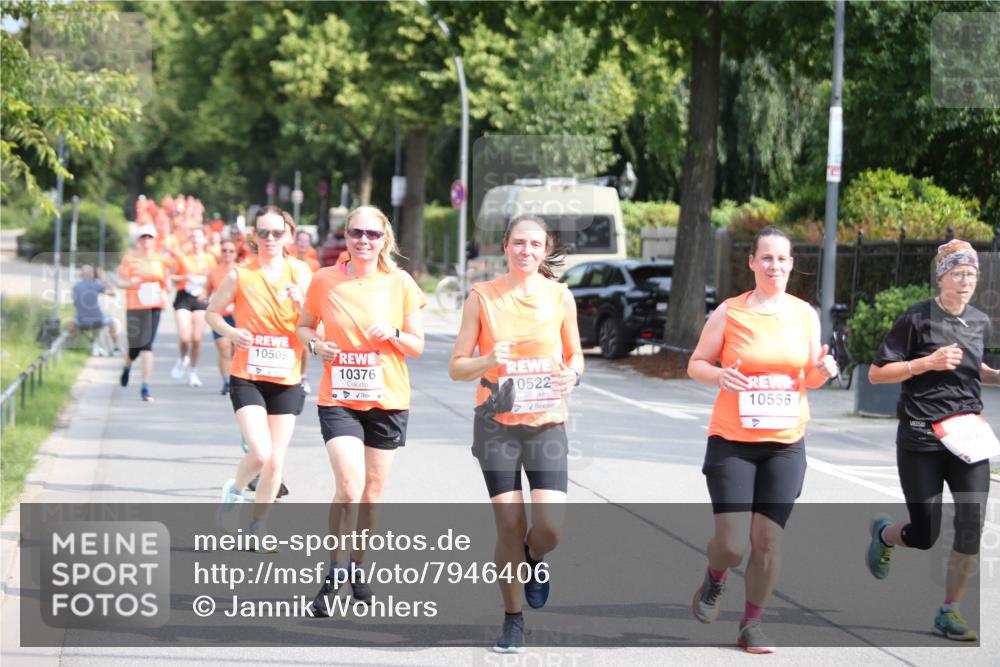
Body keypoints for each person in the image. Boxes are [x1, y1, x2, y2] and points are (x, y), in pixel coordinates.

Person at [686, 226, 838, 654]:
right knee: (732, 546)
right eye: (766, 258)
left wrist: (822, 373)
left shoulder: (804, 314)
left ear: (792, 265)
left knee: (768, 540)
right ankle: (715, 578)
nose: (774, 266)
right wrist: (719, 375)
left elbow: (808, 375)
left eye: (782, 259)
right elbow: (696, 363)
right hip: (733, 441)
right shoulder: (730, 313)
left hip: (785, 442)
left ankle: (751, 623)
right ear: (752, 263)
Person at [448, 214, 584, 654]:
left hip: (545, 424)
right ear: (505, 246)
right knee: (509, 525)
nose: (526, 251)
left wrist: (572, 376)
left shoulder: (560, 297)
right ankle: (512, 620)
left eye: (535, 245)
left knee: (549, 529)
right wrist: (487, 360)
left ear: (546, 251)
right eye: (519, 243)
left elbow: (576, 354)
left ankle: (534, 559)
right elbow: (456, 366)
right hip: (496, 427)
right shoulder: (482, 297)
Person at [864, 239, 998, 641]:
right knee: (925, 536)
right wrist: (926, 363)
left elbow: (977, 368)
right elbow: (876, 373)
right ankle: (886, 534)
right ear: (941, 277)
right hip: (922, 439)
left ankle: (948, 611)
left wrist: (995, 376)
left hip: (967, 438)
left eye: (972, 274)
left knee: (972, 525)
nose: (966, 281)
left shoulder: (979, 321)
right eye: (958, 273)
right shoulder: (917, 318)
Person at [297, 206, 425, 614]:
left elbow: (417, 345)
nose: (363, 241)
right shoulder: (324, 280)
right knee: (349, 488)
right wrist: (315, 345)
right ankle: (333, 572)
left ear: (384, 239)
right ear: (347, 235)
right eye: (356, 233)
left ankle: (358, 567)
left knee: (371, 494)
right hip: (338, 398)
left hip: (387, 399)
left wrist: (395, 334)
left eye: (372, 234)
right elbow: (303, 326)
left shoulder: (400, 283)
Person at [206, 206, 312, 543]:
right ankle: (234, 492)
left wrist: (303, 302)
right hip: (248, 375)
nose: (269, 239)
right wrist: (232, 333)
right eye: (263, 233)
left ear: (289, 236)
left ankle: (258, 526)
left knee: (276, 461)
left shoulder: (302, 273)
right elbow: (211, 314)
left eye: (277, 233)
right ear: (254, 236)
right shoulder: (240, 274)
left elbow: (318, 324)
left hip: (286, 377)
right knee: (262, 453)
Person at [117, 224, 172, 402]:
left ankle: (145, 387)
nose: (147, 240)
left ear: (155, 240)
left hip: (153, 306)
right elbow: (120, 281)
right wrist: (130, 282)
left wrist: (166, 288)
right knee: (135, 348)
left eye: (150, 237)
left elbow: (166, 281)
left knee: (147, 346)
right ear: (138, 240)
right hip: (134, 305)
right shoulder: (130, 259)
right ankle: (127, 365)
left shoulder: (160, 259)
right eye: (143, 237)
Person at [170, 226, 216, 387]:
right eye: (193, 237)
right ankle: (182, 358)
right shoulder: (183, 257)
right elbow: (172, 276)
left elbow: (215, 277)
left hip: (201, 298)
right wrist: (185, 277)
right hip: (184, 296)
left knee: (197, 339)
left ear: (204, 239)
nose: (196, 240)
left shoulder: (210, 258)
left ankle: (193, 371)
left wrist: (206, 281)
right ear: (191, 240)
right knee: (185, 337)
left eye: (199, 237)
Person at [206, 239, 239, 395]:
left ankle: (234, 377)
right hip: (220, 316)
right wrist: (204, 297)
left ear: (235, 254)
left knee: (235, 350)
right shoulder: (214, 271)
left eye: (231, 251)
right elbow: (206, 292)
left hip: (238, 316)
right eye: (224, 250)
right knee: (223, 348)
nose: (227, 253)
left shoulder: (242, 270)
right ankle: (226, 381)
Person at [68, 265, 121, 354]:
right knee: (112, 321)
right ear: (93, 275)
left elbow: (75, 303)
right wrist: (102, 279)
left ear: (82, 275)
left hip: (81, 321)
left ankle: (69, 345)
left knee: (72, 321)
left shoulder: (76, 287)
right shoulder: (97, 285)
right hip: (98, 320)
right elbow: (113, 293)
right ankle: (116, 347)